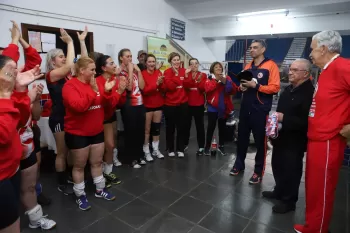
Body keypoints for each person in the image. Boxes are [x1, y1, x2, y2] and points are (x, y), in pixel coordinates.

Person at [294, 31, 350, 233]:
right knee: (314, 186)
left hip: (329, 139)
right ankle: (312, 224)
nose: (311, 53)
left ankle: (318, 229)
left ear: (324, 48)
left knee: (323, 188)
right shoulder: (327, 69)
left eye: (313, 49)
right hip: (317, 137)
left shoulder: (343, 66)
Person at [62, 57, 124, 210]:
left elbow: (107, 105)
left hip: (96, 131)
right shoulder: (70, 86)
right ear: (82, 71)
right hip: (78, 133)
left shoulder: (95, 83)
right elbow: (79, 106)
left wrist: (109, 91)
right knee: (79, 166)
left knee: (96, 163)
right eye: (92, 70)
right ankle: (80, 195)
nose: (95, 73)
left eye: (95, 70)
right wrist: (94, 91)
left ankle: (100, 189)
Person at [0, 54, 45, 233]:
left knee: (14, 218)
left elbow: (19, 121)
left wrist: (19, 91)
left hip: (12, 167)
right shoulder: (3, 95)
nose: (17, 72)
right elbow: (3, 135)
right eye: (11, 70)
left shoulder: (7, 94)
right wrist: (5, 94)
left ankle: (36, 218)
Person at [263, 59, 314, 214]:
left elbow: (307, 121)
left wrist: (284, 118)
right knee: (278, 165)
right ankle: (278, 191)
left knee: (291, 170)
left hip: (295, 140)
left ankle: (289, 201)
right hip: (281, 136)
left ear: (305, 73)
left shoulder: (310, 93)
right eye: (290, 69)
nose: (290, 72)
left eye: (295, 70)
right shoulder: (288, 89)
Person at [230, 39, 280, 184]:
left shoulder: (271, 66)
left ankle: (258, 171)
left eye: (255, 47)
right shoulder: (248, 65)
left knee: (260, 143)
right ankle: (239, 164)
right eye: (250, 47)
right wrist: (243, 87)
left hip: (260, 110)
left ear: (263, 49)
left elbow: (275, 87)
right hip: (245, 108)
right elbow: (243, 84)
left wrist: (256, 85)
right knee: (242, 140)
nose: (251, 50)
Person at [46, 27, 88, 195]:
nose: (64, 59)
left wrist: (82, 42)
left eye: (65, 56)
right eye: (61, 57)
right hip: (59, 119)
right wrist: (70, 42)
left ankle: (70, 176)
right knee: (62, 152)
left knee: (71, 150)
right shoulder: (51, 75)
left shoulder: (68, 75)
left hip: (72, 118)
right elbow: (70, 65)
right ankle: (62, 182)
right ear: (52, 61)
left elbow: (84, 61)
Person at [95, 55, 123, 187]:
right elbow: (108, 103)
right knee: (107, 146)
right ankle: (100, 174)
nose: (114, 65)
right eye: (111, 63)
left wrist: (121, 91)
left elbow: (118, 102)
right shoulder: (97, 81)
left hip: (111, 115)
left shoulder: (114, 79)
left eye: (114, 63)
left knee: (112, 145)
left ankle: (108, 172)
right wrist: (118, 92)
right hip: (101, 118)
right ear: (103, 68)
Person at [118, 49, 146, 168]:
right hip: (129, 104)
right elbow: (129, 88)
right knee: (131, 131)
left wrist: (138, 72)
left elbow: (142, 86)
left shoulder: (135, 72)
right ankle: (131, 158)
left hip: (140, 104)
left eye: (131, 56)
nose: (130, 59)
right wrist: (130, 70)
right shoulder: (119, 73)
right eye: (127, 56)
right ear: (121, 58)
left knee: (140, 131)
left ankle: (139, 155)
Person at [204, 61, 237, 156]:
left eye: (220, 67)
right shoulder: (209, 79)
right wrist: (216, 81)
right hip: (212, 108)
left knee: (222, 128)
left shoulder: (227, 78)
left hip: (223, 108)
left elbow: (232, 91)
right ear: (212, 70)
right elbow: (207, 89)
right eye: (216, 67)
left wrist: (226, 82)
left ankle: (221, 146)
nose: (218, 68)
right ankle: (207, 147)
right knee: (211, 128)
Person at [163, 52, 189, 158]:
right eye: (174, 60)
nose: (177, 62)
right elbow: (170, 87)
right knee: (170, 128)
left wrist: (179, 78)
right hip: (170, 104)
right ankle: (170, 149)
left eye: (178, 59)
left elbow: (186, 85)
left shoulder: (184, 71)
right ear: (170, 62)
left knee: (181, 127)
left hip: (182, 103)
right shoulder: (167, 72)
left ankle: (180, 149)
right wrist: (177, 76)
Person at [141, 54, 165, 162]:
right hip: (147, 105)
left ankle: (155, 149)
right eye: (149, 62)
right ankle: (146, 151)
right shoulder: (143, 74)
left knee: (156, 128)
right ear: (145, 63)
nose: (151, 64)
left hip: (158, 104)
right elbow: (145, 90)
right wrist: (156, 84)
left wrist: (161, 84)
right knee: (147, 130)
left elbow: (163, 89)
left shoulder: (159, 72)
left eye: (153, 61)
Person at [183, 58, 207, 155]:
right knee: (186, 126)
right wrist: (192, 79)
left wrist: (197, 82)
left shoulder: (203, 75)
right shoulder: (186, 74)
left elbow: (202, 88)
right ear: (189, 65)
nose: (194, 65)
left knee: (199, 126)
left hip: (198, 104)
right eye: (192, 64)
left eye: (196, 63)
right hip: (187, 104)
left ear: (198, 64)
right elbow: (186, 86)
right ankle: (185, 144)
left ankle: (201, 146)